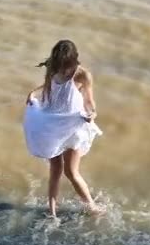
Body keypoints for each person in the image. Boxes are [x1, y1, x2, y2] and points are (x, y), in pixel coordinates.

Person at [23, 39, 103, 217]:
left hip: (73, 124)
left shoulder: (82, 75)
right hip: (52, 123)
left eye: (66, 66)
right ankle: (52, 211)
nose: (63, 70)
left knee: (71, 171)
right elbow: (48, 86)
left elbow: (89, 101)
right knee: (55, 170)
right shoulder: (53, 67)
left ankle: (91, 206)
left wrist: (93, 114)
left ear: (73, 61)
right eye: (60, 65)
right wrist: (33, 92)